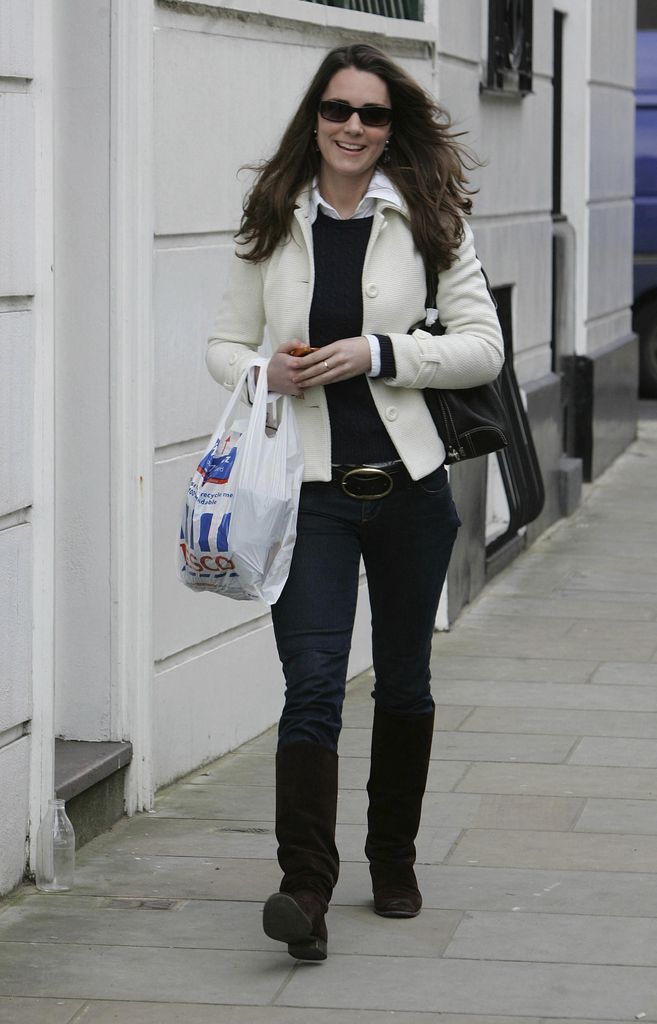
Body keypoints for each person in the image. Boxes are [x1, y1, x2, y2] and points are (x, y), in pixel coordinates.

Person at [206, 42, 504, 962]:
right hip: (308, 498)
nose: (352, 127)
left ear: (391, 128)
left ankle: (393, 858)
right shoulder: (270, 217)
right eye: (338, 109)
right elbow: (224, 341)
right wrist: (269, 370)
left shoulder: (429, 218)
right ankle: (305, 888)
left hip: (410, 493)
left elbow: (482, 347)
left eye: (372, 115)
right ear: (316, 115)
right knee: (313, 687)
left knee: (405, 683)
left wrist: (380, 353)